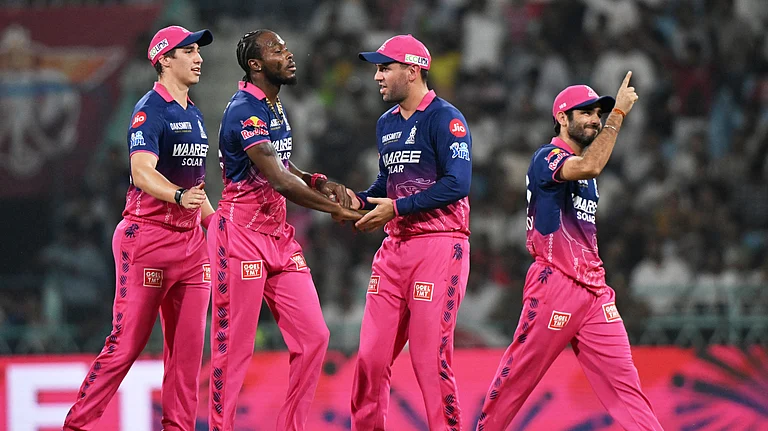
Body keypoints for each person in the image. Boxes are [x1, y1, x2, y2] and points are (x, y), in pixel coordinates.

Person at [475, 73, 664, 431]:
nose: (595, 118)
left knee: (627, 390)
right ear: (562, 118)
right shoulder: (547, 157)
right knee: (517, 379)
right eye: (586, 113)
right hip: (555, 284)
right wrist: (618, 116)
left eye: (599, 112)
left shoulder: (587, 170)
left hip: (595, 293)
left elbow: (590, 169)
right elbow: (590, 164)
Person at [63, 25, 215, 431]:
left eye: (198, 51)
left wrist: (218, 229)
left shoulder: (194, 112)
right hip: (147, 240)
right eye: (189, 51)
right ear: (165, 59)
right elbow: (141, 171)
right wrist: (179, 198)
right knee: (125, 345)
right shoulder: (150, 109)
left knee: (186, 357)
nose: (198, 58)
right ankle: (75, 425)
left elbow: (196, 189)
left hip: (192, 246)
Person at [207, 29, 361, 431]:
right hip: (240, 235)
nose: (289, 54)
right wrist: (334, 210)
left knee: (314, 338)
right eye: (277, 51)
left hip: (277, 236)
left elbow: (282, 164)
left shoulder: (275, 106)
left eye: (286, 47)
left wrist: (315, 180)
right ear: (255, 65)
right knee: (234, 349)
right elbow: (275, 178)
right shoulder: (245, 109)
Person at [349, 34, 472, 431]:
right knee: (369, 358)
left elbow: (458, 183)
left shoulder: (445, 118)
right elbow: (388, 182)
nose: (377, 77)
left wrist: (397, 207)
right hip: (394, 249)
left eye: (384, 68)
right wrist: (355, 201)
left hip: (439, 246)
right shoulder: (386, 124)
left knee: (428, 360)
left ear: (412, 70)